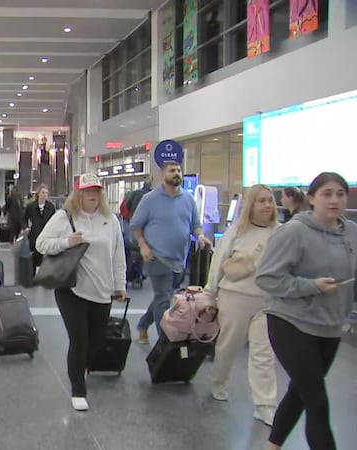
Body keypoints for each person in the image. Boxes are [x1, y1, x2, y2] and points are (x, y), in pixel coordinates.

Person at [255, 172, 357, 450]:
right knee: (317, 401)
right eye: (326, 194)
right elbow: (266, 278)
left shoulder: (351, 233)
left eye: (340, 193)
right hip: (290, 322)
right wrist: (311, 286)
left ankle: (273, 445)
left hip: (329, 324)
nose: (334, 200)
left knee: (301, 391)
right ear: (311, 199)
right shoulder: (294, 231)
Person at [36, 174, 126, 411]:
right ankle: (78, 389)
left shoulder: (111, 220)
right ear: (78, 194)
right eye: (87, 191)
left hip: (102, 288)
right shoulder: (64, 217)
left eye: (96, 191)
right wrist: (66, 242)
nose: (92, 195)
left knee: (96, 341)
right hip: (71, 288)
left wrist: (120, 285)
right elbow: (41, 243)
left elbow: (118, 255)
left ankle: (81, 367)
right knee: (79, 340)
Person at [204, 184, 279, 426]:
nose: (268, 205)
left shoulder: (280, 232)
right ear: (251, 205)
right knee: (228, 346)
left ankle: (265, 404)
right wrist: (210, 293)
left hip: (266, 301)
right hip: (234, 296)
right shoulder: (237, 231)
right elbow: (219, 261)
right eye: (262, 201)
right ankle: (219, 382)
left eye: (270, 200)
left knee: (263, 354)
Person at [130, 161, 211, 342]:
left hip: (179, 260)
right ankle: (164, 342)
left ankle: (143, 324)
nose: (177, 173)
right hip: (157, 258)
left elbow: (195, 225)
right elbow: (135, 225)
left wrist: (200, 236)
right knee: (163, 299)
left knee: (164, 296)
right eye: (172, 170)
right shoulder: (150, 199)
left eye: (179, 170)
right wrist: (143, 245)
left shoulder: (188, 199)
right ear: (163, 175)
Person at [23, 185, 56, 272]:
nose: (45, 195)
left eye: (46, 193)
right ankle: (33, 276)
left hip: (47, 235)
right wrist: (26, 227)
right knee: (35, 258)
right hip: (34, 235)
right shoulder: (30, 207)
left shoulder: (51, 207)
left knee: (46, 257)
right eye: (43, 193)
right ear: (38, 194)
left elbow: (54, 220)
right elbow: (24, 218)